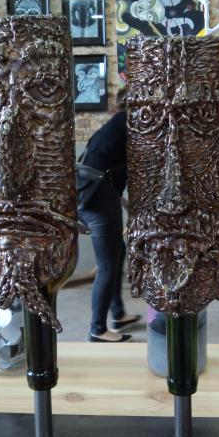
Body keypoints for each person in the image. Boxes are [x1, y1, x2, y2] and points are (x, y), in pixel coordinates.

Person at [77, 91, 140, 342]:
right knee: (107, 265)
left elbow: (103, 170)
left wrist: (126, 205)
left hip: (85, 196)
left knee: (116, 253)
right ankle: (98, 329)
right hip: (99, 200)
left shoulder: (114, 125)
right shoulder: (131, 124)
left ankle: (118, 313)